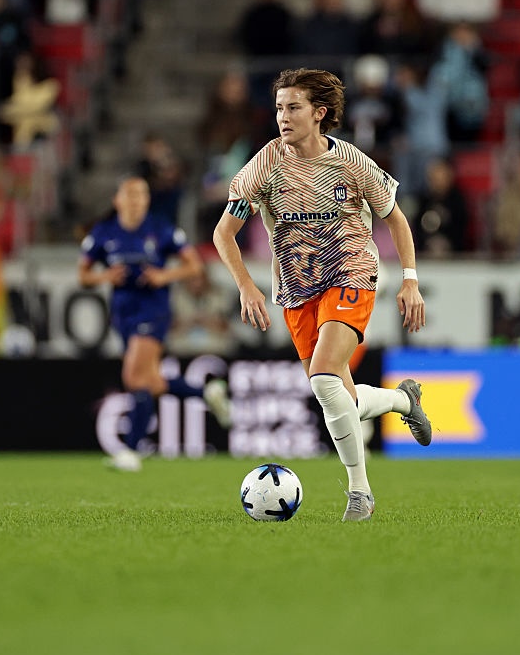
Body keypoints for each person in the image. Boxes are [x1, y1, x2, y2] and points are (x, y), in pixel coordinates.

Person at [212, 68, 432, 523]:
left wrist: (409, 278)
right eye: (278, 108)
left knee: (325, 374)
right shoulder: (266, 163)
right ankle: (403, 401)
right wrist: (246, 285)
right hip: (296, 288)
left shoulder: (352, 163)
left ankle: (360, 494)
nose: (282, 117)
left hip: (352, 272)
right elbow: (223, 233)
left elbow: (396, 218)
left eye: (293, 108)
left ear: (320, 113)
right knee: (337, 395)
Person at [79, 176, 231, 472]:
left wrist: (163, 276)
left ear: (147, 201)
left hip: (154, 310)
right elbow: (83, 274)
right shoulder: (104, 232)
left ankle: (131, 451)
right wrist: (105, 277)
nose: (137, 201)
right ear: (117, 200)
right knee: (150, 381)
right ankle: (206, 393)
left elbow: (193, 264)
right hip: (123, 312)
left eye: (142, 195)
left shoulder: (160, 229)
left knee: (134, 376)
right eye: (131, 195)